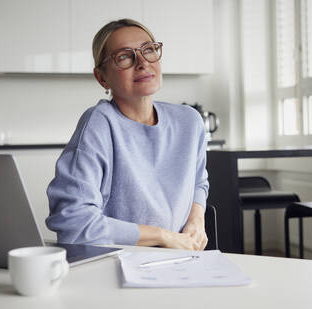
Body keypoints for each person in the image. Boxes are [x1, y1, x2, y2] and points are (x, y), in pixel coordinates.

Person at [46, 18, 209, 251]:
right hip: (117, 262)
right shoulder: (99, 124)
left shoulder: (189, 121)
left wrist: (196, 219)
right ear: (102, 78)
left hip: (180, 259)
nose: (142, 62)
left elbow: (198, 182)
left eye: (149, 50)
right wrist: (163, 236)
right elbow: (73, 222)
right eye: (124, 56)